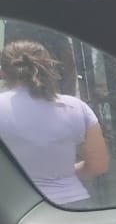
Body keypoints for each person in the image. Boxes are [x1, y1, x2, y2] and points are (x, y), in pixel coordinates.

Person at [0, 39, 108, 207]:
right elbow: (98, 165)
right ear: (48, 67)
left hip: (10, 207)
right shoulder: (76, 107)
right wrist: (61, 176)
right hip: (73, 204)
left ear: (3, 72)